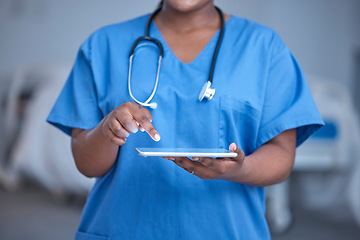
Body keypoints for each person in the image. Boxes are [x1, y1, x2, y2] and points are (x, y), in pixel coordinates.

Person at [47, 0, 324, 239]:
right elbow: (86, 163)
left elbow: (282, 155)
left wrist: (240, 169)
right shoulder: (103, 45)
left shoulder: (264, 47)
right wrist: (108, 131)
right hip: (123, 229)